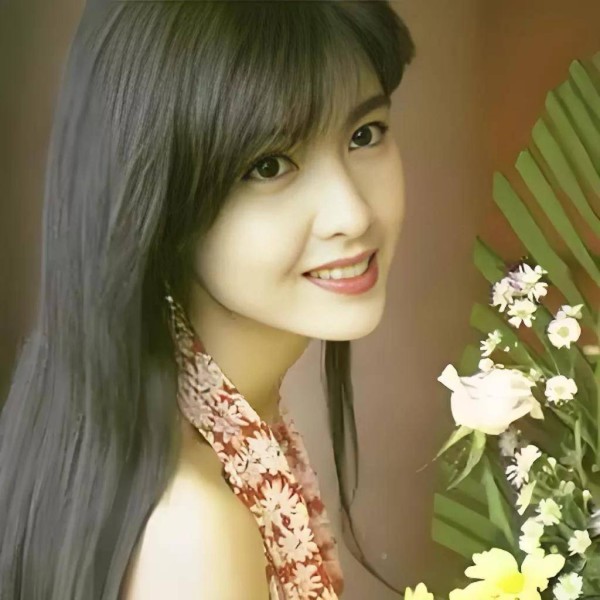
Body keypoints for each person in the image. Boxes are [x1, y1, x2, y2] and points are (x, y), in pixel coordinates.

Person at [0, 1, 416, 598]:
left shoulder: (176, 433)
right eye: (270, 165)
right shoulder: (195, 534)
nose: (351, 213)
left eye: (363, 134)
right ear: (157, 196)